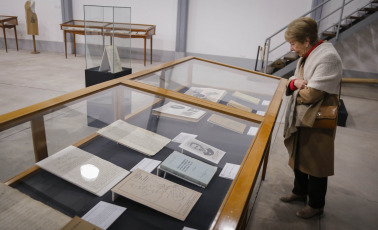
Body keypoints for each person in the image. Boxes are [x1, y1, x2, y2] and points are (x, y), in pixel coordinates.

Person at [281, 17, 342, 219]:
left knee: (316, 161)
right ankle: (299, 192)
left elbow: (311, 94)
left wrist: (294, 84)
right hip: (303, 117)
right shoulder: (309, 53)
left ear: (306, 40)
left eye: (293, 43)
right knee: (299, 155)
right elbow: (298, 84)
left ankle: (316, 204)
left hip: (318, 119)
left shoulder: (328, 57)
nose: (292, 48)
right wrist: (295, 83)